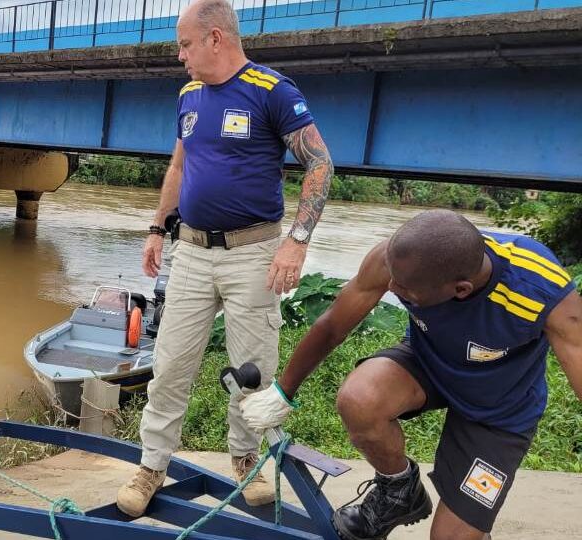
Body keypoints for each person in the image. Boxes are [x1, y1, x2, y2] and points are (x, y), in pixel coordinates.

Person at [116, 0, 334, 517]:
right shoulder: (189, 94)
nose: (180, 55)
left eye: (186, 44)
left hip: (253, 254)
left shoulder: (272, 92)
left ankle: (247, 462)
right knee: (168, 366)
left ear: (216, 38)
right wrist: (156, 228)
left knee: (250, 371)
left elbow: (320, 163)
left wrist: (297, 240)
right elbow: (180, 162)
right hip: (190, 251)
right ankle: (151, 466)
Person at [240, 210, 582, 540]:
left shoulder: (541, 291)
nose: (389, 285)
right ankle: (399, 491)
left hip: (499, 409)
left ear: (460, 289)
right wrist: (282, 391)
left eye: (402, 288)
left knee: (452, 537)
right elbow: (332, 326)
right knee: (359, 399)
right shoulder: (398, 257)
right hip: (427, 363)